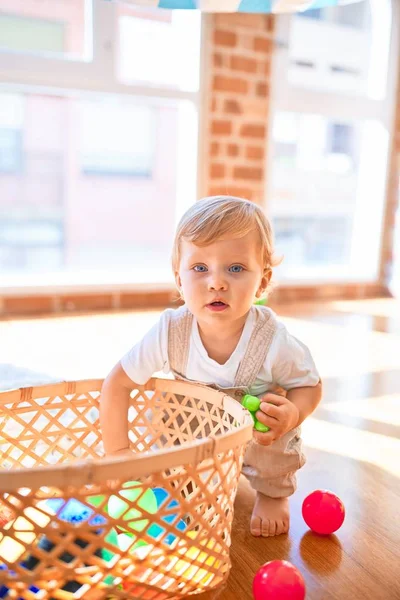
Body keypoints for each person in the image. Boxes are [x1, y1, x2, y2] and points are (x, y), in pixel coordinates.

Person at [100, 195, 322, 537]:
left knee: (274, 437)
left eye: (235, 268)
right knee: (169, 432)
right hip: (193, 428)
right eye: (200, 268)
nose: (216, 282)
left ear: (262, 281)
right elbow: (117, 383)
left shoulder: (272, 339)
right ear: (179, 279)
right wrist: (117, 452)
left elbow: (310, 384)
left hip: (253, 431)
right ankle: (185, 483)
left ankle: (272, 492)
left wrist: (293, 413)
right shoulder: (169, 331)